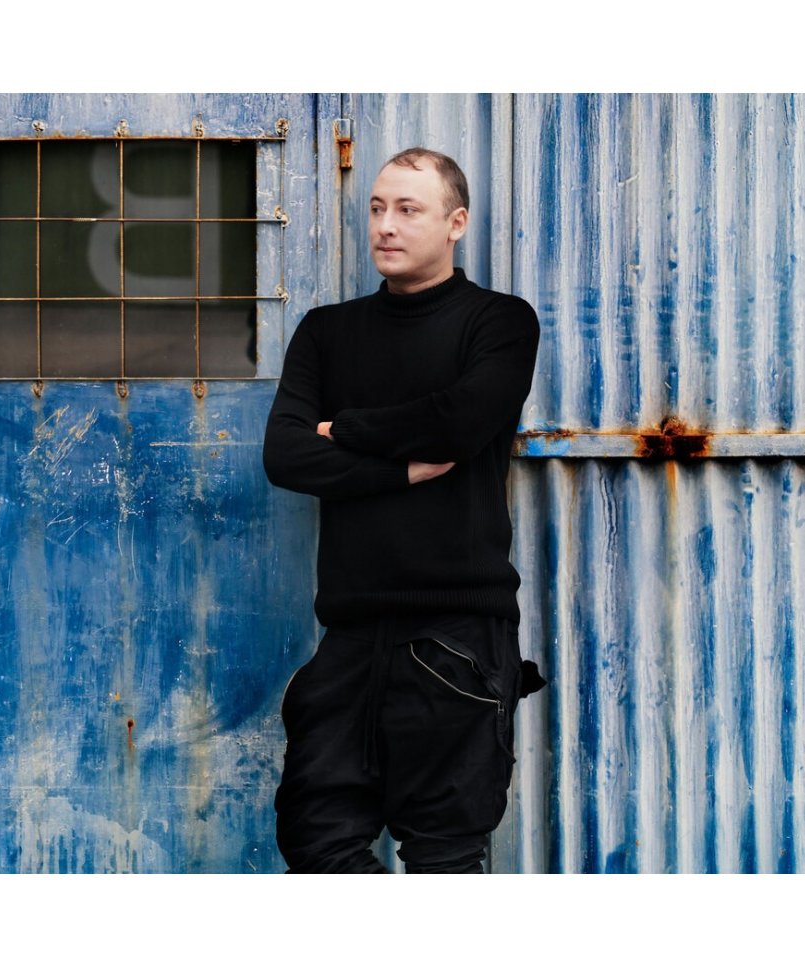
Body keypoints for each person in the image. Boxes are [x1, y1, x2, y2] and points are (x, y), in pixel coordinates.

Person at [263, 147, 544, 874]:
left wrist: (347, 429)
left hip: (456, 633)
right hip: (351, 633)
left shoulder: (500, 323)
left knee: (445, 854)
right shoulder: (327, 332)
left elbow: (459, 423)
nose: (386, 225)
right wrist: (404, 466)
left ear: (456, 223)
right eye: (378, 208)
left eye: (408, 210)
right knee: (317, 840)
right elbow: (286, 456)